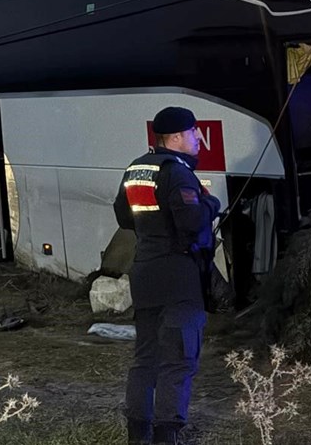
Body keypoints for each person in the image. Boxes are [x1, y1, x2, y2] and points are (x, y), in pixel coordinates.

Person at [113, 106, 219, 445]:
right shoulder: (178, 172)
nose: (198, 139)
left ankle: (137, 434)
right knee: (179, 359)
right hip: (178, 276)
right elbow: (191, 221)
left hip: (144, 273)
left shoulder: (136, 168)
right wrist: (211, 204)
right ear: (175, 137)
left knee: (145, 358)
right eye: (193, 133)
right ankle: (167, 434)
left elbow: (124, 217)